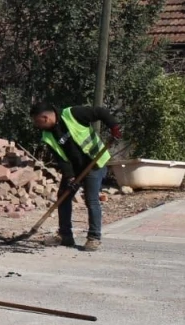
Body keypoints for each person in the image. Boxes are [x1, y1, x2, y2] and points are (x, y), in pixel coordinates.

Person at [30, 102, 122, 252]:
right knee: (64, 196)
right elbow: (61, 159)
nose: (36, 125)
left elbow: (100, 112)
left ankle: (94, 237)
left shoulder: (72, 114)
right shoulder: (47, 135)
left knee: (91, 199)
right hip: (76, 169)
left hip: (95, 162)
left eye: (36, 121)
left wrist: (114, 127)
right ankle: (66, 236)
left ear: (45, 117)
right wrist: (70, 177)